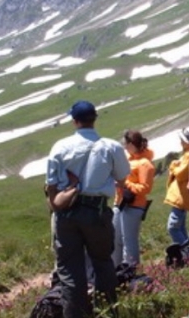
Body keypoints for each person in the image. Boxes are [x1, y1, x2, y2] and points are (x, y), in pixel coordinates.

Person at [45, 100, 130, 318]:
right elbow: (122, 177)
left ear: (74, 121)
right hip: (97, 211)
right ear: (94, 119)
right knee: (103, 263)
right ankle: (108, 312)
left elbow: (51, 184)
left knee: (70, 270)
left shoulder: (59, 147)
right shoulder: (111, 146)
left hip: (66, 214)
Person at [112, 130, 155, 266]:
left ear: (131, 143)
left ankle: (130, 269)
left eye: (126, 143)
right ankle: (116, 268)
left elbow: (145, 188)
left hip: (134, 205)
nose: (124, 146)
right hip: (119, 203)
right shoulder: (128, 159)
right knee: (116, 239)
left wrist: (125, 183)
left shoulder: (145, 164)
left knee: (129, 240)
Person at [163, 127, 189, 244]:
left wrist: (173, 166)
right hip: (182, 196)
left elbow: (180, 174)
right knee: (180, 227)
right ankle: (188, 251)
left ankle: (185, 252)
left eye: (182, 140)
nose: (180, 142)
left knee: (173, 227)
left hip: (182, 196)